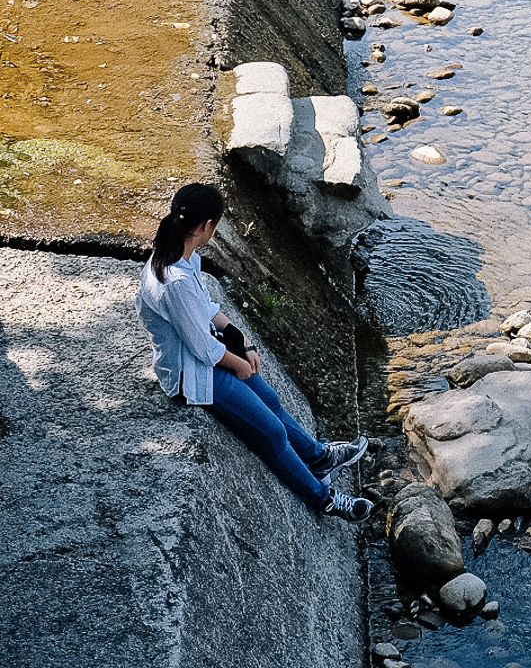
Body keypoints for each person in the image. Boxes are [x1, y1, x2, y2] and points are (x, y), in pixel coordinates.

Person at [138, 183, 375, 522]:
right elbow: (202, 348)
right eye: (215, 224)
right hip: (192, 376)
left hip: (206, 360)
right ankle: (325, 499)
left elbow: (205, 308)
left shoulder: (181, 256)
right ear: (206, 226)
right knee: (272, 433)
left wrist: (240, 340)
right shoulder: (174, 279)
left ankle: (319, 456)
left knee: (270, 399)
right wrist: (238, 364)